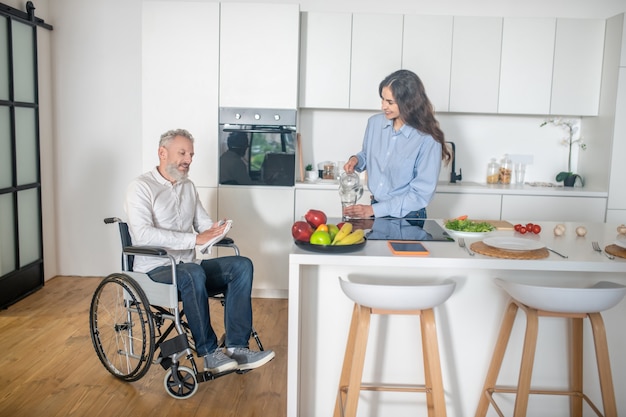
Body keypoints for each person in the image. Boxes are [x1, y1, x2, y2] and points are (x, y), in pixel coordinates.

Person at [125, 128, 275, 374]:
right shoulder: (141, 187)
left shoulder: (188, 186)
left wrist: (216, 229)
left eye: (191, 155)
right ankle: (209, 352)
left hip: (189, 269)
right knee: (192, 272)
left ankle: (237, 347)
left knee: (241, 265)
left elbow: (202, 224)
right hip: (155, 271)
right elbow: (142, 235)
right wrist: (195, 239)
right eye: (182, 153)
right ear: (162, 153)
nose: (188, 160)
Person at [343, 69, 451, 219]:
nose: (383, 106)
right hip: (375, 209)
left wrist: (375, 210)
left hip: (409, 216)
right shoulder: (374, 123)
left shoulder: (427, 139)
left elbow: (421, 194)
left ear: (409, 103)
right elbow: (368, 154)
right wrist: (356, 160)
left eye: (390, 102)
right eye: (382, 99)